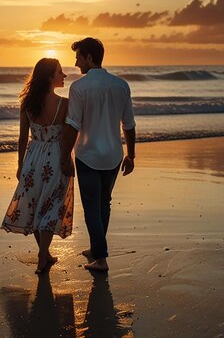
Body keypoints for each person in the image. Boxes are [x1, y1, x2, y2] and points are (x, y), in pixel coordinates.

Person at [60, 37, 136, 272]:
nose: (75, 61)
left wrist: (65, 157)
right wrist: (131, 155)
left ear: (90, 58)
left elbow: (72, 125)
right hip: (113, 154)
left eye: (79, 56)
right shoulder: (121, 85)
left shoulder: (79, 87)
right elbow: (129, 125)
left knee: (93, 206)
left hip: (88, 155)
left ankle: (100, 258)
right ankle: (96, 249)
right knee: (104, 204)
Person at [1, 58, 74, 274]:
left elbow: (22, 138)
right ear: (50, 77)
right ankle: (44, 254)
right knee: (51, 206)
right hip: (56, 157)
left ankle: (44, 253)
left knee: (34, 205)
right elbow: (70, 135)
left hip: (33, 158)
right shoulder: (65, 103)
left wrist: (20, 164)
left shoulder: (28, 103)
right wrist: (68, 159)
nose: (64, 76)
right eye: (60, 72)